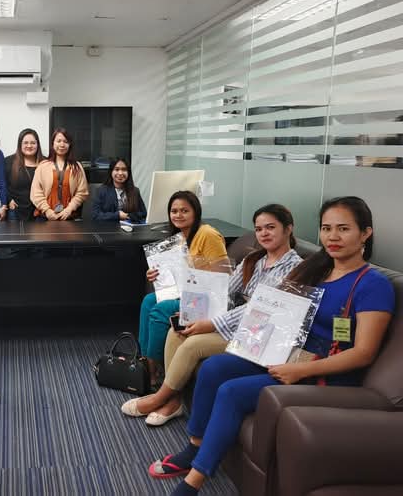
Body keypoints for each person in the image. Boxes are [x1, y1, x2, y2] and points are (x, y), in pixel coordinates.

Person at [156, 197, 395, 496]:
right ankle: (195, 446)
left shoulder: (372, 284)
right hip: (290, 353)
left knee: (231, 392)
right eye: (326, 228)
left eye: (343, 229)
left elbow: (363, 353)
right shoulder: (316, 270)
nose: (332, 236)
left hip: (324, 370)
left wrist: (300, 371)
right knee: (214, 367)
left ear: (365, 233)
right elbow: (272, 309)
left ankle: (194, 481)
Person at [122, 204, 301, 425]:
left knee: (192, 345)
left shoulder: (296, 269)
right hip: (235, 324)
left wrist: (212, 323)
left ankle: (160, 398)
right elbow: (225, 291)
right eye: (259, 229)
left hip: (260, 334)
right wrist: (195, 312)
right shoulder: (255, 260)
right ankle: (174, 401)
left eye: (270, 227)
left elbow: (260, 310)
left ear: (288, 229)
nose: (263, 233)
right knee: (176, 331)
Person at [139, 191, 228, 384]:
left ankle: (153, 373)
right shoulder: (179, 237)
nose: (178, 215)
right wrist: (154, 275)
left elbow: (223, 276)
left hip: (206, 298)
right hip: (184, 292)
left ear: (196, 212)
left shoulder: (208, 234)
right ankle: (145, 363)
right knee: (148, 301)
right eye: (174, 211)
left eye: (184, 211)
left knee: (161, 309)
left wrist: (194, 276)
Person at [30, 127, 89, 220]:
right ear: (53, 143)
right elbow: (35, 193)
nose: (62, 144)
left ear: (69, 144)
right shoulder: (43, 166)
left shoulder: (77, 167)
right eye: (58, 141)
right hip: (45, 217)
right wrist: (47, 210)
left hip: (69, 217)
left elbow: (82, 192)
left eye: (65, 141)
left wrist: (69, 209)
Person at [92, 157, 147, 223]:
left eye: (124, 170)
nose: (120, 173)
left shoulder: (135, 191)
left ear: (128, 172)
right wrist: (117, 215)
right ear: (111, 172)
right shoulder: (101, 191)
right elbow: (95, 215)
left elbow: (143, 214)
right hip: (108, 228)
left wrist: (128, 216)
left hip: (130, 228)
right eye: (117, 169)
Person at [5, 128, 43, 221]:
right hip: (15, 211)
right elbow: (2, 184)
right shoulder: (9, 161)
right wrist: (9, 200)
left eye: (33, 143)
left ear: (37, 145)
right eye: (25, 143)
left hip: (39, 212)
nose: (29, 146)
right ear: (20, 144)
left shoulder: (45, 163)